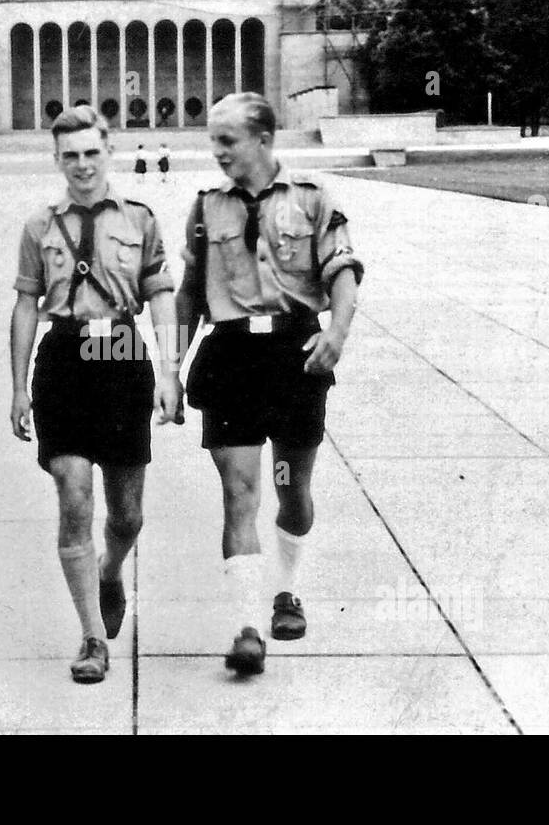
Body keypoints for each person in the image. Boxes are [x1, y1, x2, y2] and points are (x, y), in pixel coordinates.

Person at [170, 92, 364, 676]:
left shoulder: (311, 199)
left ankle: (287, 588)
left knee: (293, 492)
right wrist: (169, 370)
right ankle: (247, 625)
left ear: (262, 139)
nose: (218, 152)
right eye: (214, 141)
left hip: (296, 354)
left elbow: (344, 272)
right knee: (239, 492)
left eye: (227, 140)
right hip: (230, 357)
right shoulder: (207, 207)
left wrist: (338, 333)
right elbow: (189, 295)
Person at [10, 105, 180, 684]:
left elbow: (161, 296)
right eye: (70, 155)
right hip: (63, 357)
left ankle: (109, 573)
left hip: (121, 355)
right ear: (56, 159)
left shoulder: (139, 218)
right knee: (75, 498)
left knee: (127, 514)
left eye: (91, 152)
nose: (81, 165)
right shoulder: (38, 225)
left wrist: (169, 368)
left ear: (108, 150)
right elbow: (26, 304)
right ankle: (89, 637)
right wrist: (16, 388)